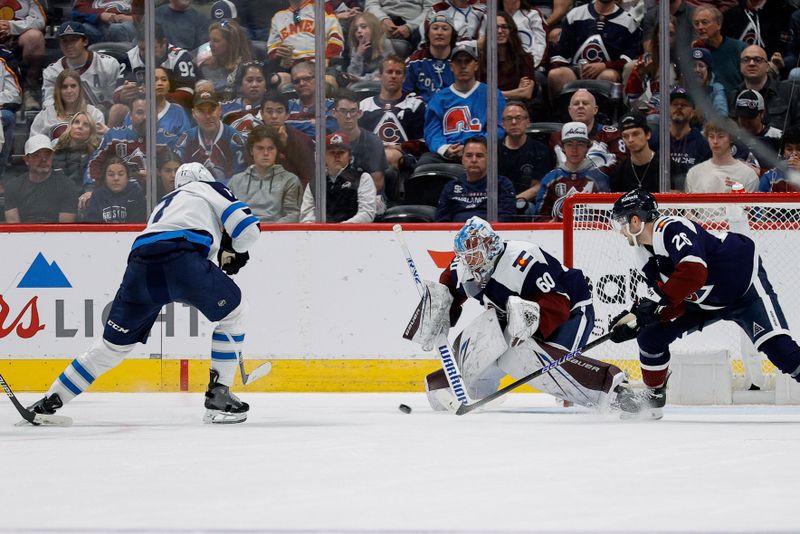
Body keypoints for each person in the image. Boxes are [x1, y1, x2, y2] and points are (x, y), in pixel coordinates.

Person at [26, 162, 261, 424]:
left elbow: (181, 231)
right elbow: (248, 229)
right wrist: (238, 249)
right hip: (182, 260)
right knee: (235, 314)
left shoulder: (165, 203)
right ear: (205, 178)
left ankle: (49, 401)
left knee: (112, 346)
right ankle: (219, 395)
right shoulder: (209, 188)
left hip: (140, 266)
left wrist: (221, 249)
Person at [607, 189, 800, 419]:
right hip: (701, 300)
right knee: (650, 336)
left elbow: (694, 273)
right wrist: (639, 320)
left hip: (744, 287)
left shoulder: (670, 228)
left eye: (621, 222)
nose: (620, 231)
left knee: (780, 351)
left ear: (635, 220)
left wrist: (658, 306)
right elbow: (672, 302)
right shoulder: (643, 254)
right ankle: (653, 400)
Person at [410, 216, 626, 413]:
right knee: (490, 333)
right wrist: (437, 313)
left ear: (489, 247)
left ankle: (612, 390)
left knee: (539, 363)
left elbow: (558, 304)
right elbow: (448, 292)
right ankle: (463, 386)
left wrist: (530, 324)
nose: (468, 261)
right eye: (465, 256)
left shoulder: (523, 260)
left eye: (474, 255)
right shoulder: (463, 267)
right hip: (517, 316)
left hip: (571, 311)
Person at [421, 43, 506, 165]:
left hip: (482, 152)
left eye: (467, 61)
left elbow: (498, 129)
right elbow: (432, 132)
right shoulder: (439, 99)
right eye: (458, 62)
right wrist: (445, 149)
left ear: (476, 65)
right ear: (451, 66)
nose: (463, 66)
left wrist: (472, 148)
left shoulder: (492, 94)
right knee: (424, 164)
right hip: (449, 153)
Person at [547, 0, 642, 100]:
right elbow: (561, 53)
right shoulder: (575, 14)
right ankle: (564, 113)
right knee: (556, 74)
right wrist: (576, 69)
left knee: (608, 76)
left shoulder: (628, 22)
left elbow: (629, 59)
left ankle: (602, 114)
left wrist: (604, 65)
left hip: (607, 70)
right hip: (575, 69)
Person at [359, 55, 426, 178]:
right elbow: (357, 138)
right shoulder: (364, 106)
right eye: (389, 72)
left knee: (388, 156)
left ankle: (384, 196)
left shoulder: (415, 105)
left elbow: (423, 142)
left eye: (398, 72)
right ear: (379, 76)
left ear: (404, 77)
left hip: (404, 156)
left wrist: (400, 146)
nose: (393, 76)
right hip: (369, 155)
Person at [228, 125, 302, 222]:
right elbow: (228, 213)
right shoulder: (235, 181)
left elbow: (293, 215)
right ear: (251, 151)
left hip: (277, 234)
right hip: (243, 232)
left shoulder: (290, 180)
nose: (266, 153)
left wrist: (270, 231)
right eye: (260, 148)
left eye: (270, 148)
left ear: (277, 151)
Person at [536, 122, 609, 221]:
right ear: (562, 147)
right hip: (557, 235)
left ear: (587, 147)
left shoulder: (599, 178)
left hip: (591, 235)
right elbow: (539, 216)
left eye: (580, 144)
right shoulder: (550, 179)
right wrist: (550, 224)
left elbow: (606, 217)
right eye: (569, 144)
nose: (574, 150)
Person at [299, 132, 377, 223]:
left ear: (350, 156)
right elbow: (306, 216)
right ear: (323, 157)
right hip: (321, 235)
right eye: (332, 152)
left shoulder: (362, 178)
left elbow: (367, 213)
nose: (337, 156)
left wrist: (340, 229)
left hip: (353, 234)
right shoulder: (315, 183)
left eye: (341, 152)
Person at [435, 136, 516, 223]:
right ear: (462, 159)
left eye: (479, 156)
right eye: (469, 156)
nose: (474, 160)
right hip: (456, 234)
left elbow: (506, 219)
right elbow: (442, 222)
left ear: (489, 159)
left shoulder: (501, 184)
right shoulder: (451, 187)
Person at [332, 90, 389, 212]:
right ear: (334, 113)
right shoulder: (330, 142)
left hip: (370, 197)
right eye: (343, 111)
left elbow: (377, 184)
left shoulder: (373, 142)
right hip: (338, 195)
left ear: (359, 113)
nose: (348, 117)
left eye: (353, 111)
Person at [174, 90, 248, 185]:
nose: (208, 116)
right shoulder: (186, 140)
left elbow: (240, 179)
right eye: (201, 111)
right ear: (193, 113)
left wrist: (207, 186)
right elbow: (179, 176)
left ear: (220, 110)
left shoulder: (234, 139)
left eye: (212, 110)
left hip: (227, 196)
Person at [42, 22, 121, 111]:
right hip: (66, 117)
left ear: (85, 41)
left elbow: (114, 99)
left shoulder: (108, 64)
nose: (69, 45)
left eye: (74, 39)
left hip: (102, 117)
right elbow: (48, 103)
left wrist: (95, 112)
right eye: (64, 41)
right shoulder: (52, 71)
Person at [549, 89, 625, 177]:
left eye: (585, 103)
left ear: (595, 110)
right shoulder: (556, 138)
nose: (580, 106)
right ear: (569, 110)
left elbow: (621, 167)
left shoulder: (611, 135)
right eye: (576, 104)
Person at [4, 135, 78, 224]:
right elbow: (13, 227)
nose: (43, 159)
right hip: (23, 236)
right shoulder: (13, 186)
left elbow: (65, 228)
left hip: (56, 236)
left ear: (52, 156)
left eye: (48, 154)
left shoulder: (67, 186)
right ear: (26, 159)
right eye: (36, 155)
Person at [267, 0, 344, 86]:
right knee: (276, 80)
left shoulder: (321, 8)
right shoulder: (278, 17)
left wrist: (327, 58)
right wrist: (279, 55)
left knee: (328, 81)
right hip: (291, 67)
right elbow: (272, 51)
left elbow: (336, 37)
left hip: (320, 65)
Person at [730, 44, 800, 132]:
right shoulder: (734, 95)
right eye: (746, 60)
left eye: (758, 60)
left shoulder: (790, 91)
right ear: (740, 66)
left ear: (767, 66)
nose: (751, 63)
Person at [30, 69, 107, 142]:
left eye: (73, 86)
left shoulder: (95, 114)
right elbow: (35, 145)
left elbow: (99, 146)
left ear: (80, 88)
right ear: (58, 90)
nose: (69, 91)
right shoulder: (45, 116)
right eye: (64, 87)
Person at [498, 101, 550, 206]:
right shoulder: (492, 150)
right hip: (498, 201)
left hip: (526, 202)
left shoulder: (540, 149)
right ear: (502, 124)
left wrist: (513, 201)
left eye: (518, 118)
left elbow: (539, 186)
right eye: (509, 118)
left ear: (528, 122)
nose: (513, 122)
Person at [685, 118, 759, 193]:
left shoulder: (748, 175)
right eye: (711, 136)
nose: (715, 141)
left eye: (721, 136)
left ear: (731, 138)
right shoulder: (694, 173)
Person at [260, 90, 315, 188]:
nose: (274, 116)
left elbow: (309, 177)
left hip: (292, 194)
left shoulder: (302, 140)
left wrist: (285, 147)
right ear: (261, 114)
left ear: (287, 115)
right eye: (269, 111)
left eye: (279, 111)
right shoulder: (254, 139)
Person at [477, 12, 536, 102]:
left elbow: (526, 93)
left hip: (515, 108)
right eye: (495, 28)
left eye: (504, 27)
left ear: (511, 30)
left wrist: (493, 93)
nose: (500, 31)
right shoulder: (481, 61)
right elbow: (479, 94)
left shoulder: (525, 59)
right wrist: (516, 92)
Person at [0, 0, 45, 109]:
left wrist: (12, 26)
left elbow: (40, 21)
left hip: (17, 39)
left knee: (35, 37)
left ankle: (30, 88)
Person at [402, 11, 456, 102]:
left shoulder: (459, 60)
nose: (439, 32)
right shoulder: (415, 61)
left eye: (445, 29)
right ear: (428, 33)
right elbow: (404, 93)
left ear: (452, 34)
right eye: (435, 28)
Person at [691, 5, 746, 94]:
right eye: (696, 24)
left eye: (705, 22)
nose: (700, 27)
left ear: (719, 24)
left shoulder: (739, 49)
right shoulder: (696, 52)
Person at [667, 87, 711, 191]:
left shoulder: (703, 144)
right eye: (674, 104)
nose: (679, 107)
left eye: (684, 105)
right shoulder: (657, 140)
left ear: (693, 112)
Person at [52, 111, 102, 203]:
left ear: (91, 132)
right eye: (76, 122)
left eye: (86, 125)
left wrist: (89, 192)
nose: (80, 126)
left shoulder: (96, 153)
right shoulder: (58, 149)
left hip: (85, 198)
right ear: (71, 126)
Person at [197, 19, 253, 100]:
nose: (210, 44)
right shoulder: (205, 67)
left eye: (216, 41)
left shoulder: (247, 70)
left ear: (231, 43)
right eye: (210, 40)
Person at [731, 89, 782, 174]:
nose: (746, 122)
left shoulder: (779, 137)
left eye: (750, 117)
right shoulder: (731, 137)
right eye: (742, 117)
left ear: (762, 113)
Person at [84, 157, 147, 223]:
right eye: (111, 175)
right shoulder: (97, 196)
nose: (116, 178)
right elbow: (93, 226)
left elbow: (139, 225)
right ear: (105, 177)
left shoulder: (136, 194)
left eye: (121, 174)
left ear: (127, 177)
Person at [285, 62, 339, 138]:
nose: (302, 83)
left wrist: (294, 123)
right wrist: (314, 122)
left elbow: (329, 130)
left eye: (307, 79)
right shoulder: (287, 106)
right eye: (296, 81)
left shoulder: (333, 105)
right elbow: (284, 129)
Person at [611, 111, 659, 192]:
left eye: (636, 134)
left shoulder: (666, 167)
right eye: (625, 136)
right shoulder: (619, 173)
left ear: (648, 134)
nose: (630, 140)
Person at [345, 12, 394, 82]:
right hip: (360, 84)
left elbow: (383, 72)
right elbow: (352, 75)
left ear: (374, 28)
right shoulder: (356, 47)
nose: (359, 31)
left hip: (379, 84)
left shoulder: (385, 44)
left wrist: (362, 79)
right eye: (356, 29)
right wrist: (358, 55)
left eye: (363, 27)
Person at [221, 61, 267, 133]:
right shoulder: (224, 108)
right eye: (249, 80)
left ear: (266, 84)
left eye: (259, 80)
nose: (254, 85)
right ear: (241, 85)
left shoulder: (272, 108)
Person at [365, 0, 430, 47]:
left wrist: (410, 27)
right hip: (382, 22)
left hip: (415, 26)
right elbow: (371, 4)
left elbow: (431, 9)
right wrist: (383, 19)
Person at [689, 47, 728, 120]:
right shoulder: (682, 88)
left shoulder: (716, 89)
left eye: (701, 66)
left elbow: (721, 116)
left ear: (708, 69)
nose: (697, 70)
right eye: (693, 66)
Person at [72, 0, 137, 43]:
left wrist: (133, 18)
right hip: (98, 27)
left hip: (126, 24)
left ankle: (125, 60)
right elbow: (76, 13)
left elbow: (146, 13)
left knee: (116, 28)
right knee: (83, 28)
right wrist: (99, 15)